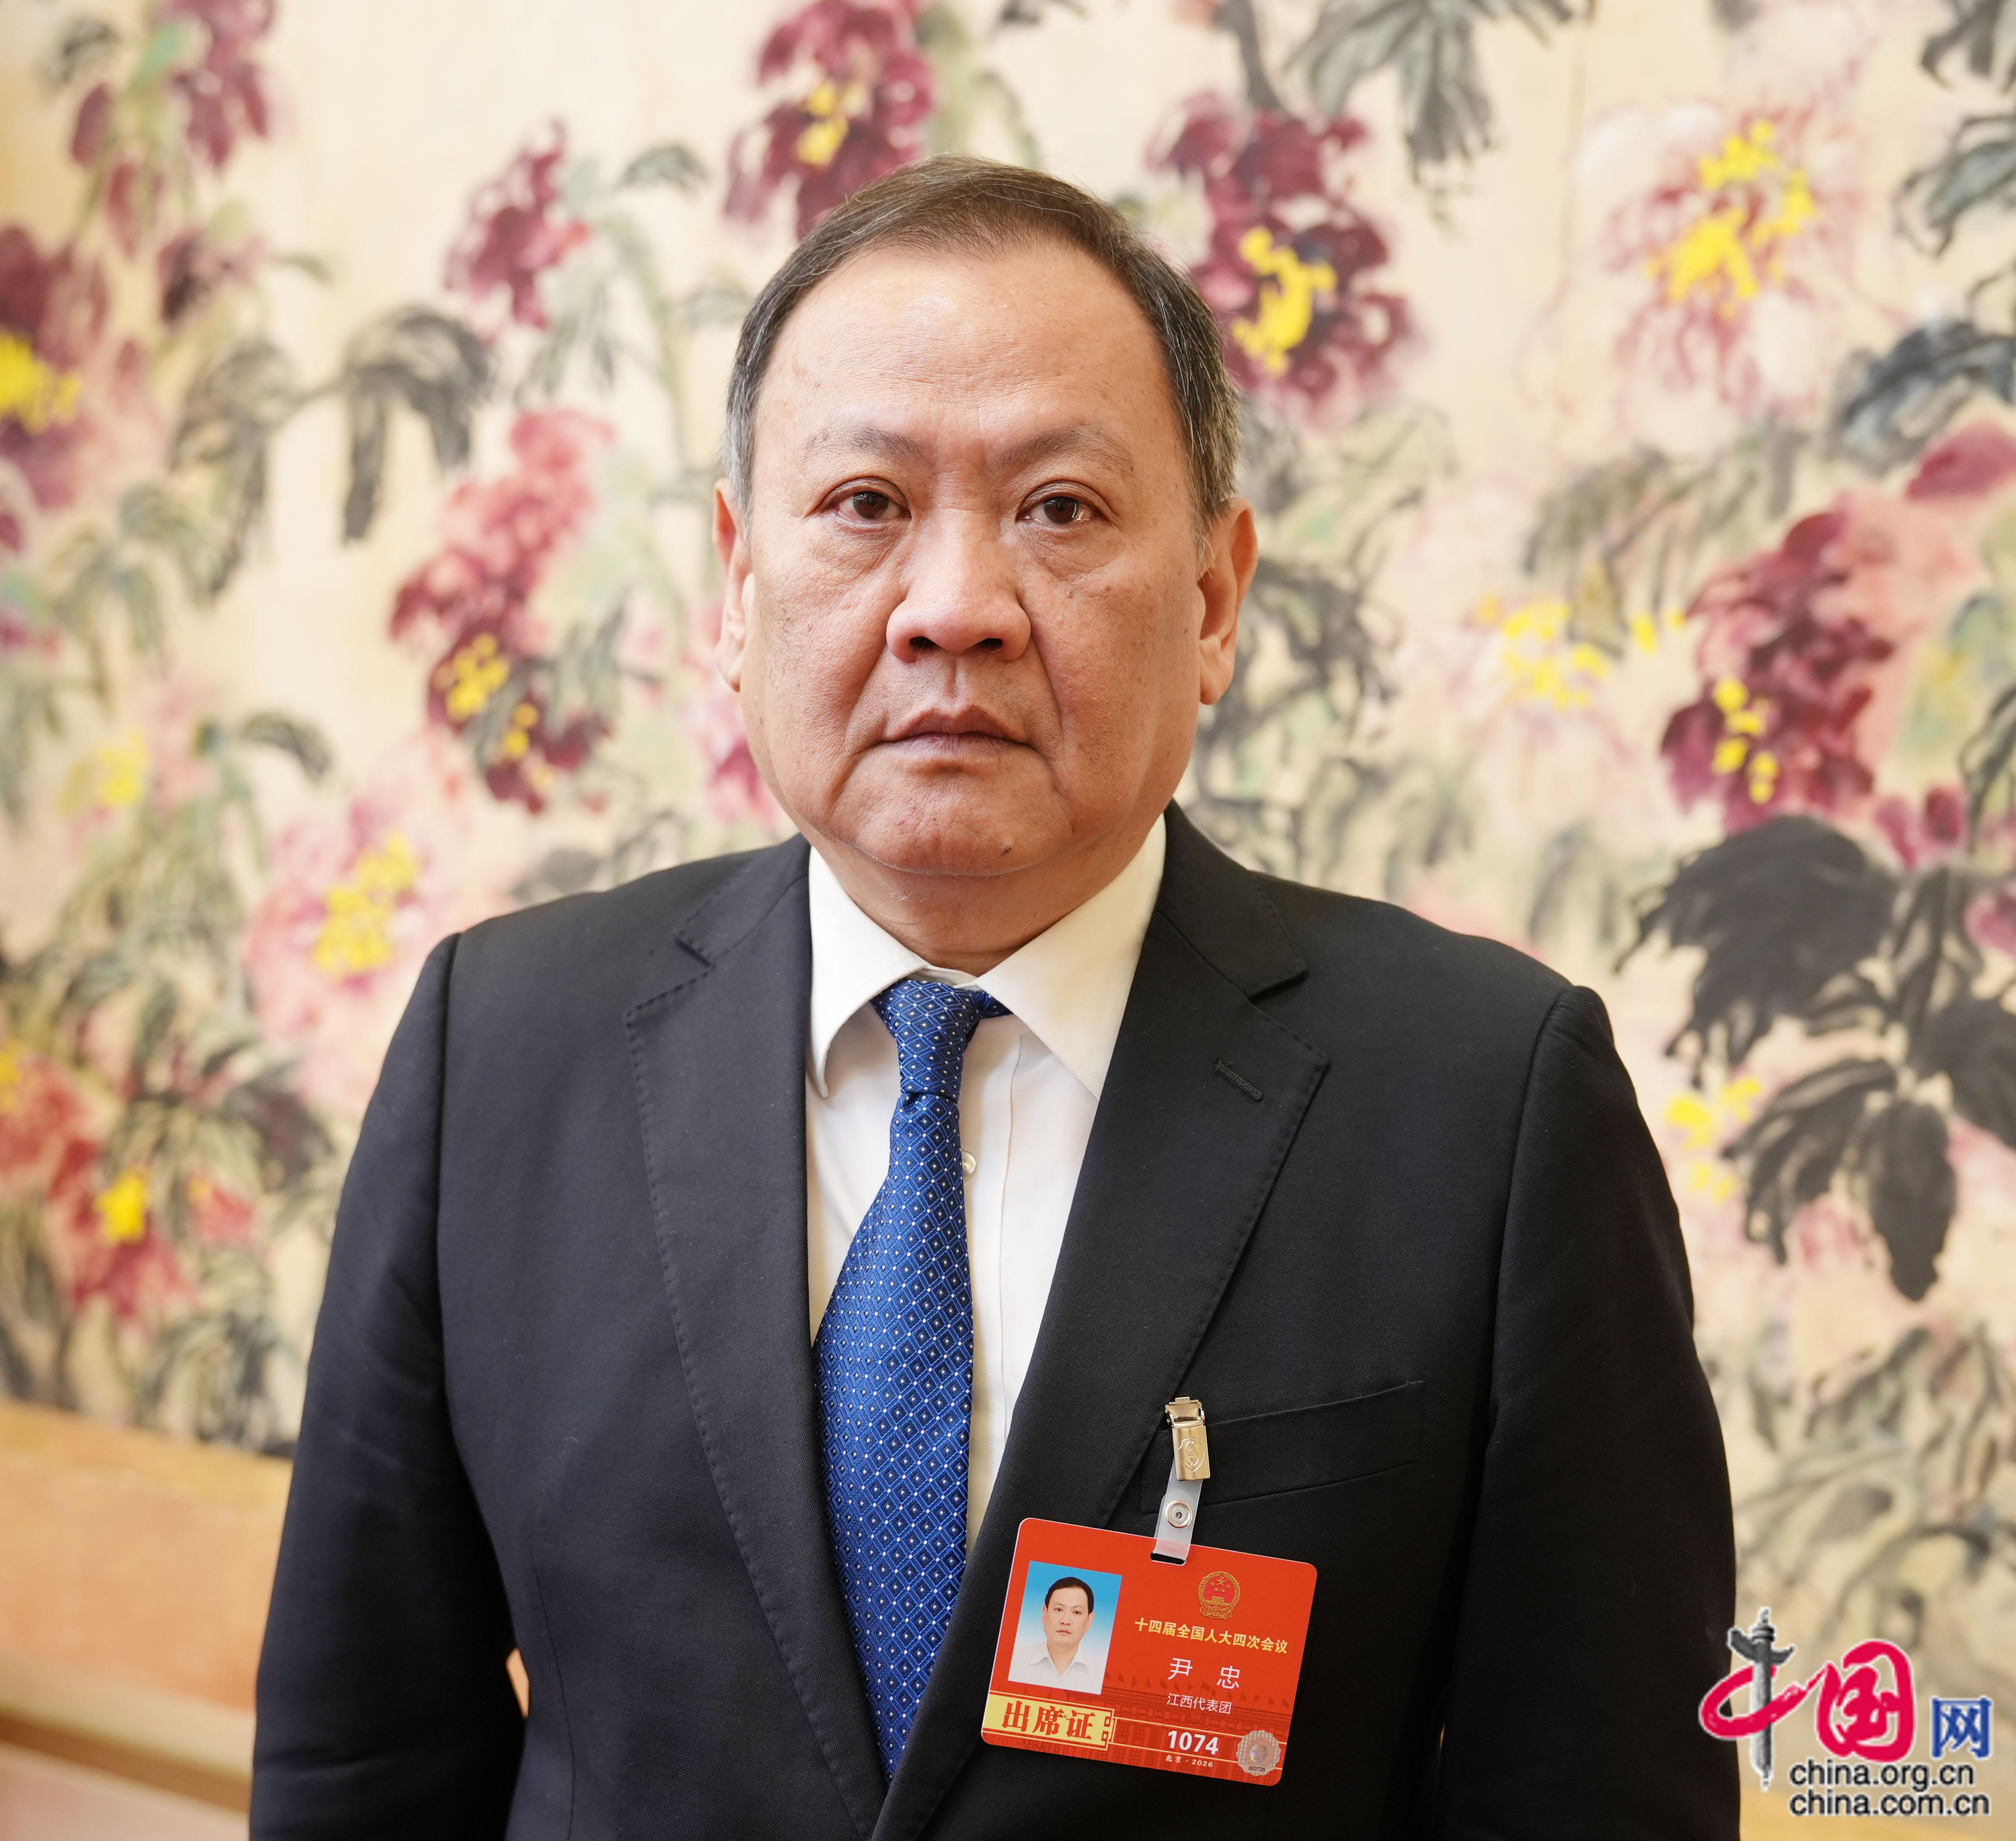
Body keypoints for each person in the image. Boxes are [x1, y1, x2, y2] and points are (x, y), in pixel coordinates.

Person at [251, 157, 1738, 1839]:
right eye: (864, 502)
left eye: (1061, 509)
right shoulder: (500, 1047)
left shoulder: (1485, 1103)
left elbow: (1605, 1797)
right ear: (737, 585)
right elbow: (363, 1761)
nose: (953, 608)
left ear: (1214, 599)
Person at [1009, 1577, 1101, 1693]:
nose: (1066, 1621)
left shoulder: (1101, 1674)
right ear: (1045, 1614)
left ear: (1089, 1621)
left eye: (1077, 1612)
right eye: (1059, 1610)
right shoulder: (1013, 1661)